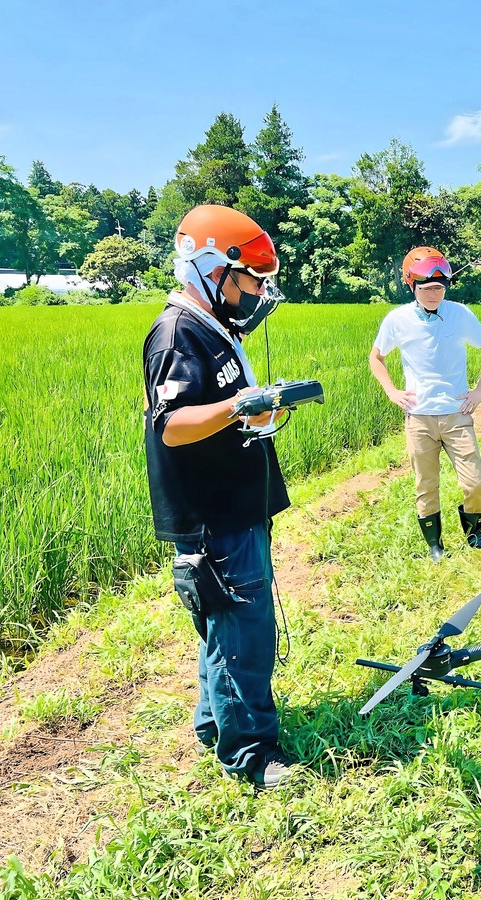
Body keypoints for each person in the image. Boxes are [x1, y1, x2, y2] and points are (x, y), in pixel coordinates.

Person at [142, 204, 293, 790]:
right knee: (242, 634)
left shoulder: (216, 329)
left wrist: (256, 407)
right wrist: (239, 407)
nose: (258, 291)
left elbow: (225, 412)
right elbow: (173, 424)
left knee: (226, 627)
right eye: (251, 278)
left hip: (239, 500)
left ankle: (215, 725)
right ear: (210, 266)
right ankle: (250, 754)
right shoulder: (178, 332)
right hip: (215, 513)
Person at [369, 247, 481, 562]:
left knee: (474, 481)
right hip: (419, 419)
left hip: (456, 414)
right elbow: (376, 358)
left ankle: (475, 535)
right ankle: (435, 546)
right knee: (426, 485)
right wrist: (392, 391)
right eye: (426, 289)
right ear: (411, 285)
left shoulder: (460, 314)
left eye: (439, 288)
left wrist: (479, 391)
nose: (433, 294)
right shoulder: (397, 319)